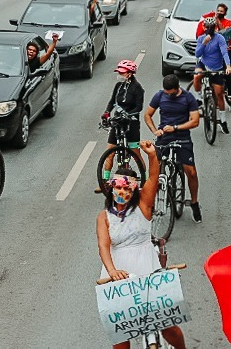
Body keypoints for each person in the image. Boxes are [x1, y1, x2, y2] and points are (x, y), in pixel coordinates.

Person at [96, 144, 187, 349]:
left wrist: (153, 156)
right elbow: (103, 246)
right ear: (111, 188)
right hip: (118, 278)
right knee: (121, 338)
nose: (122, 192)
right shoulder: (103, 217)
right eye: (118, 187)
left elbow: (154, 178)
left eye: (127, 188)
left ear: (133, 189)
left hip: (148, 270)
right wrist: (112, 271)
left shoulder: (143, 206)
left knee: (169, 328)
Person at [144, 74, 203, 223]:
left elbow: (195, 121)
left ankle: (194, 202)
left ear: (177, 89)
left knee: (191, 172)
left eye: (170, 93)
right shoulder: (160, 95)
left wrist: (176, 127)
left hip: (182, 137)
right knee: (154, 171)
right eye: (166, 93)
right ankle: (150, 203)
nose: (168, 96)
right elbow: (148, 115)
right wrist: (154, 131)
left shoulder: (188, 98)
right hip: (164, 137)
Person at [95, 60, 145, 193]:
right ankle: (105, 182)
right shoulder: (118, 86)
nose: (120, 75)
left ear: (129, 74)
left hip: (131, 123)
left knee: (135, 153)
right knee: (110, 152)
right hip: (117, 122)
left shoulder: (137, 88)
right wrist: (106, 113)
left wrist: (128, 114)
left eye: (122, 73)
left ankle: (145, 179)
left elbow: (139, 106)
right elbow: (112, 101)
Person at [193, 17, 231, 134]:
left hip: (217, 67)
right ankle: (199, 98)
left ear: (214, 28)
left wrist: (228, 66)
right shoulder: (201, 38)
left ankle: (223, 120)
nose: (208, 29)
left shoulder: (220, 38)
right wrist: (204, 43)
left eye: (211, 27)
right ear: (204, 27)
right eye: (207, 27)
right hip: (204, 64)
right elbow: (197, 54)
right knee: (196, 76)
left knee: (219, 93)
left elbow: (224, 52)